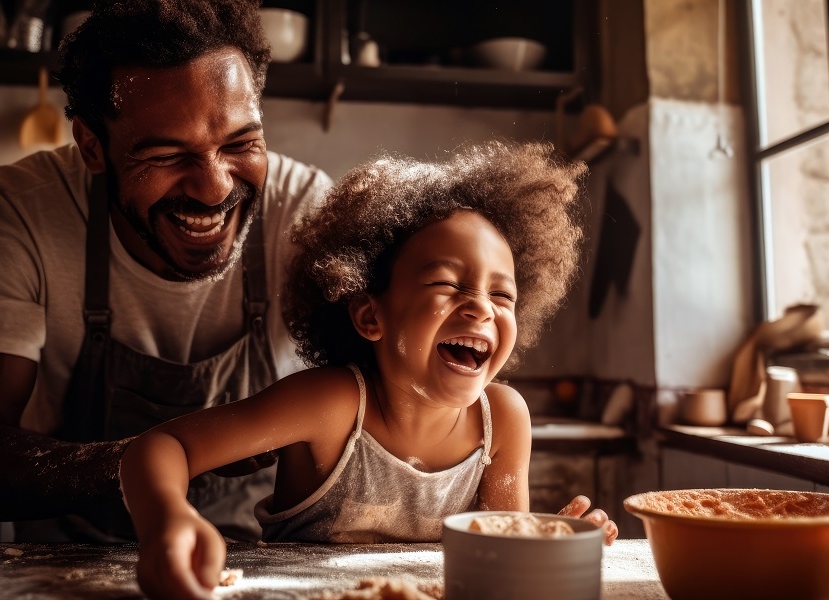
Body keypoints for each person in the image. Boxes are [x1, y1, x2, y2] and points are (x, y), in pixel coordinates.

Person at [119, 140, 620, 599]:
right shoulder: (331, 406)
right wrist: (167, 518)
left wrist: (553, 541)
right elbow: (163, 446)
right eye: (448, 285)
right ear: (370, 315)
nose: (482, 309)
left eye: (501, 294)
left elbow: (504, 562)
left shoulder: (503, 420)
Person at [0, 0, 333, 542]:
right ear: (92, 147)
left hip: (261, 565)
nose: (213, 189)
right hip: (65, 566)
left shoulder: (307, 213)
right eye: (166, 155)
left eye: (240, 143)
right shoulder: (17, 211)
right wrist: (164, 459)